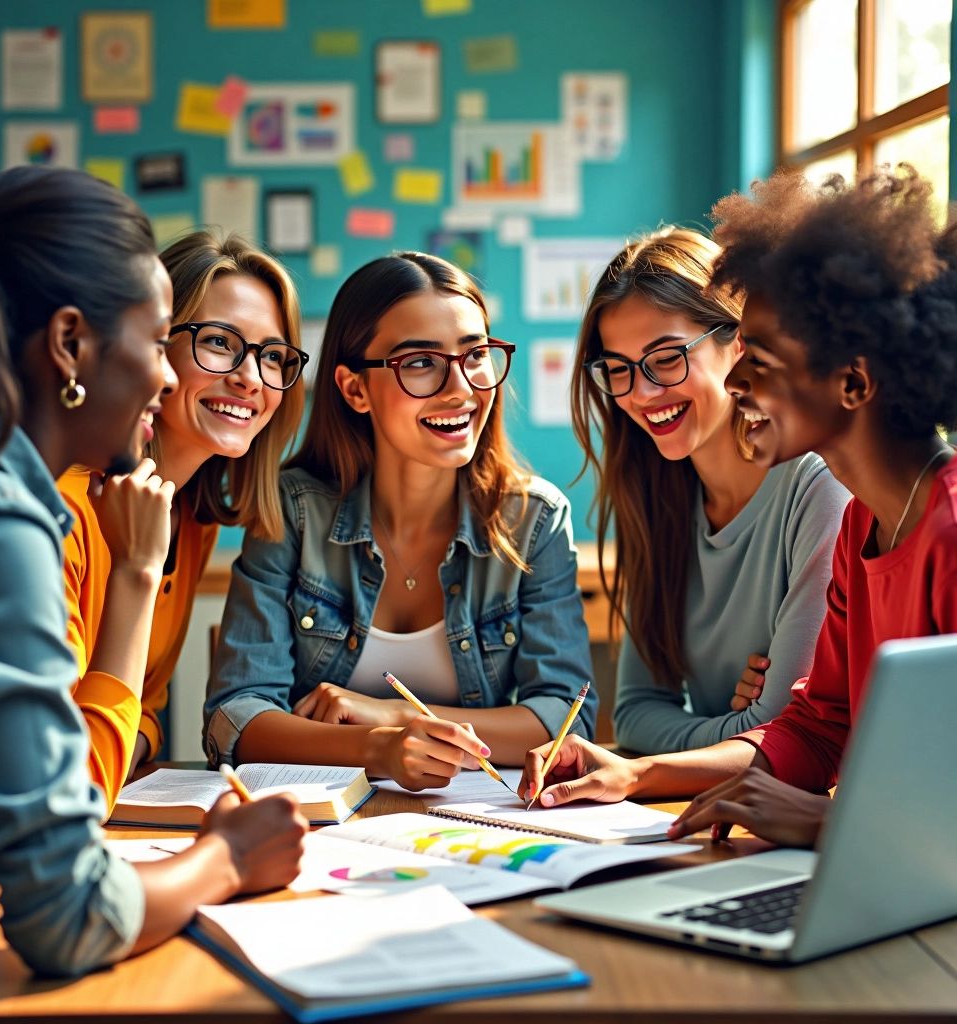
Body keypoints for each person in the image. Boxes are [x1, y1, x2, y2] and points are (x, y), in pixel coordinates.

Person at [0, 167, 306, 973]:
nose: (170, 375)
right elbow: (68, 910)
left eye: (275, 357)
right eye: (167, 338)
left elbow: (124, 730)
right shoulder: (4, 519)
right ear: (71, 344)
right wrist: (227, 859)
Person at [522, 166, 957, 848]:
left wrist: (826, 821)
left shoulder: (945, 529)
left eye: (764, 357)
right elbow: (818, 726)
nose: (740, 380)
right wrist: (640, 776)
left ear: (854, 379)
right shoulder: (860, 528)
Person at [205, 251, 597, 789]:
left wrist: (396, 717)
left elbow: (561, 718)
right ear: (354, 389)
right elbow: (237, 717)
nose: (460, 388)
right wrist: (377, 750)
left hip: (471, 826)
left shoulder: (534, 520)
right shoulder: (292, 511)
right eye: (419, 362)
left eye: (475, 354)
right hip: (319, 827)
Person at [571, 228, 849, 753]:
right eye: (618, 370)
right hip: (719, 800)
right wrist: (735, 726)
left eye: (667, 358)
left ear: (739, 340)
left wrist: (743, 728)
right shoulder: (655, 498)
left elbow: (793, 730)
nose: (642, 392)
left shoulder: (817, 486)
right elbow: (633, 714)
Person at [58, 232, 307, 808]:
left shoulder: (191, 517)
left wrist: (135, 736)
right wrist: (124, 741)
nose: (251, 378)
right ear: (153, 351)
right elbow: (73, 776)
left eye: (273, 356)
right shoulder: (65, 512)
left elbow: (143, 709)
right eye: (220, 342)